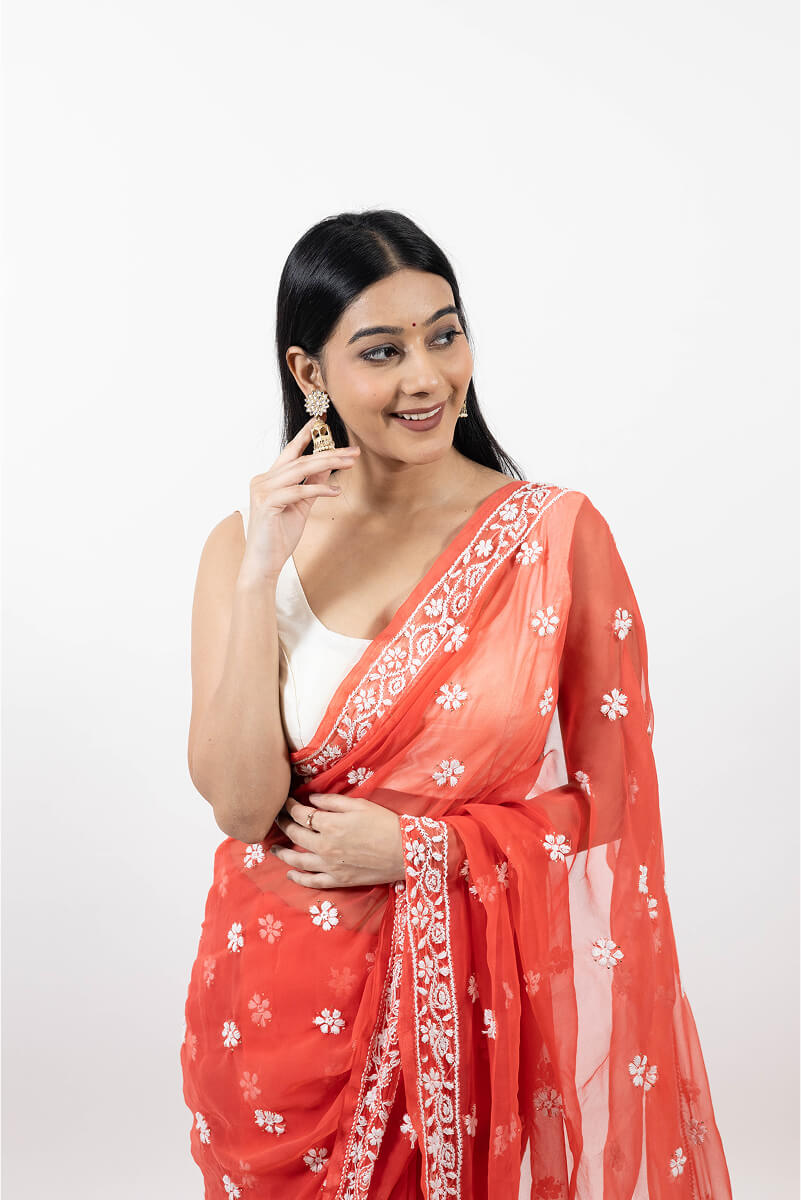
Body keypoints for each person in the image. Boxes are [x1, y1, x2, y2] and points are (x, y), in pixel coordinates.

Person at [180, 210, 733, 1199]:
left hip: (466, 1011)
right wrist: (259, 573)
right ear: (309, 372)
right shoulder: (244, 548)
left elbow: (614, 808)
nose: (427, 377)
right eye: (381, 352)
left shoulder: (550, 540)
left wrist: (425, 851)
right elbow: (240, 806)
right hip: (273, 1011)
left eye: (445, 335)